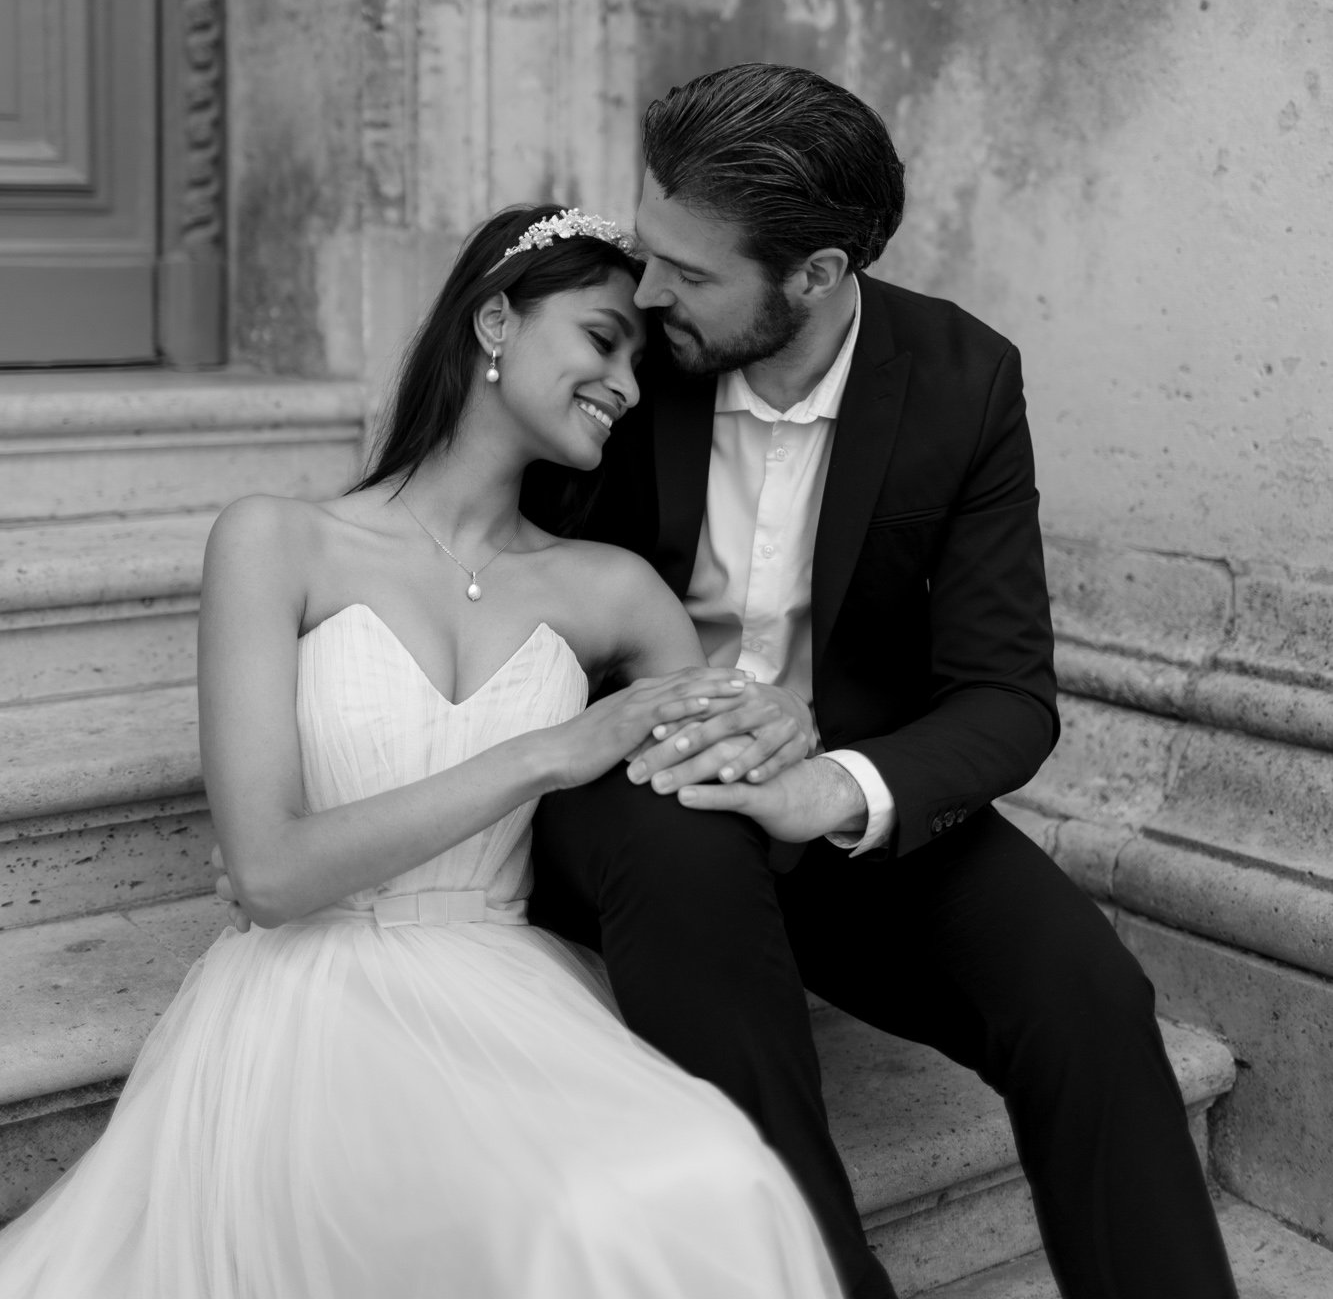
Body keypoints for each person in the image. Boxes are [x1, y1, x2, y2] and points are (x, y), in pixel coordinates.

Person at [0, 206, 842, 1299]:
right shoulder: (278, 538)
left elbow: (723, 802)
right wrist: (551, 749)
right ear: (495, 317)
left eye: (641, 357)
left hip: (513, 983)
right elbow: (269, 872)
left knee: (718, 1175)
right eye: (601, 338)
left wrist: (791, 726)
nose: (628, 384)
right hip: (315, 1001)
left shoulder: (615, 588)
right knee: (559, 1225)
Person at [526, 63, 1241, 1299]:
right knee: (695, 887)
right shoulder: (618, 351)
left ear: (816, 273)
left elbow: (1006, 691)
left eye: (691, 274)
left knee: (1087, 998)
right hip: (639, 785)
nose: (647, 294)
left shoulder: (962, 378)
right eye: (652, 252)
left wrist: (832, 790)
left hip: (846, 793)